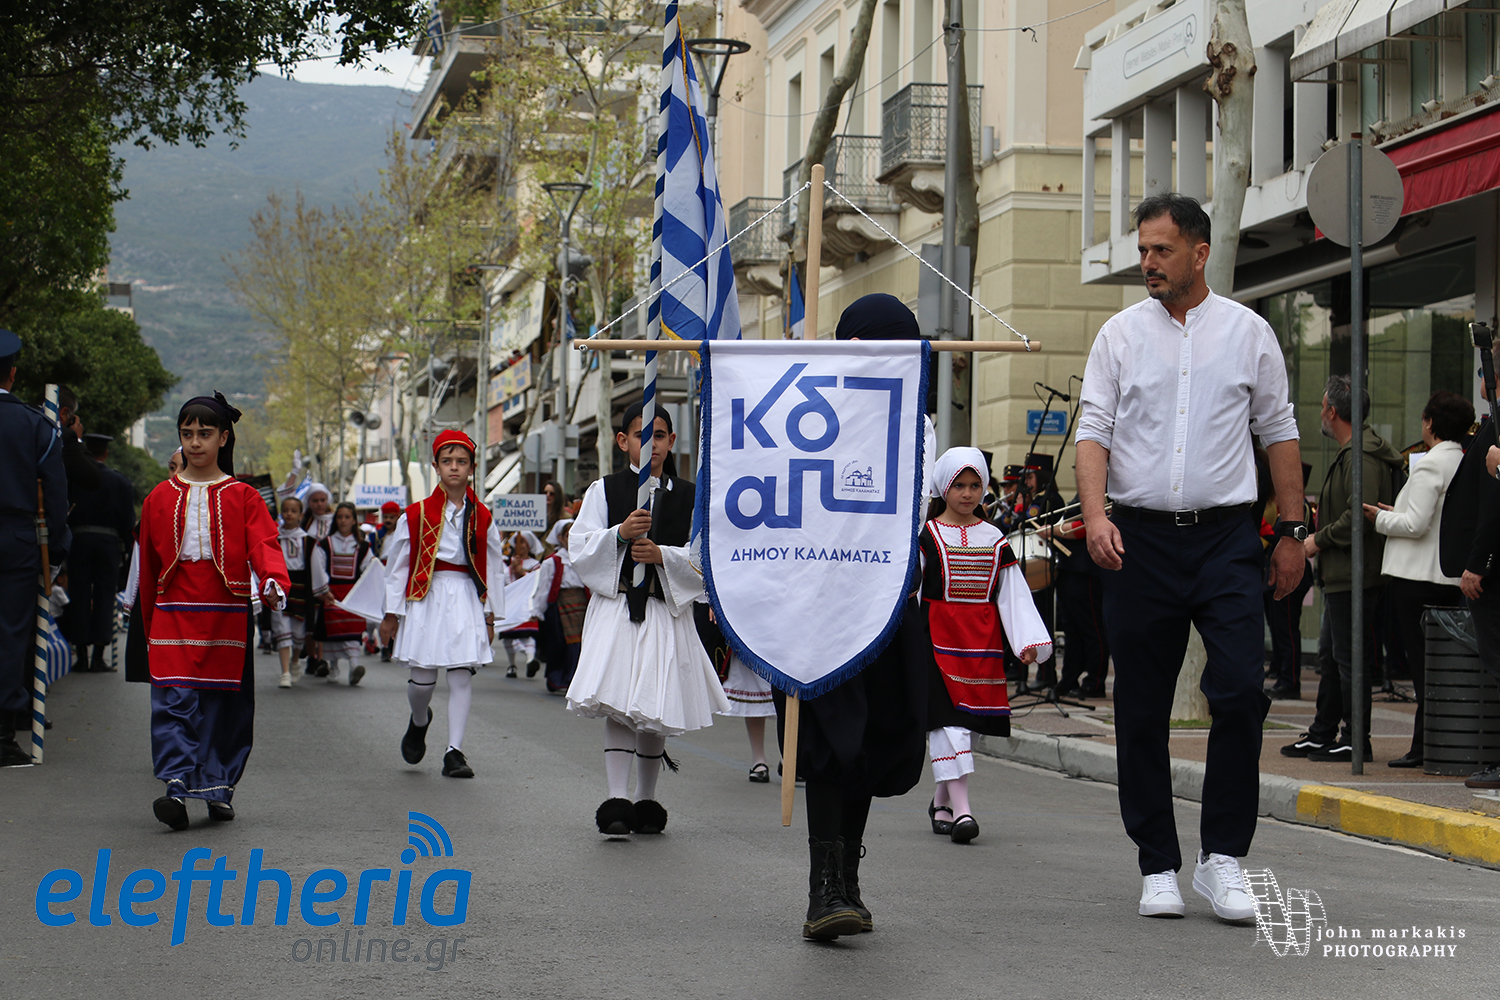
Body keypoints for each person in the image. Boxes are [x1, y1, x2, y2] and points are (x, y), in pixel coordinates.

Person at [1076, 193, 1306, 923]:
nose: (1148, 262)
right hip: (1137, 541)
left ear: (1199, 254)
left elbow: (1279, 431)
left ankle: (1222, 858)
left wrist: (1292, 531)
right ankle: (1157, 864)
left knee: (1238, 690)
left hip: (1226, 540)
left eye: (1161, 250)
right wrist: (1094, 516)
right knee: (1141, 706)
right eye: (1143, 249)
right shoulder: (1118, 335)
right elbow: (1093, 431)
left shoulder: (1249, 332)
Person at [771, 293, 935, 940]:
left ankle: (850, 879)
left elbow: (910, 508)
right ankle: (823, 890)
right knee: (829, 741)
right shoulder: (808, 415)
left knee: (874, 740)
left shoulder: (914, 422)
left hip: (887, 602)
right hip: (824, 604)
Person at [567, 402, 729, 837]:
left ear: (672, 441)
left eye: (659, 436)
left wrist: (663, 556)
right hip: (619, 608)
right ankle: (616, 798)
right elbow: (579, 546)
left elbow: (707, 558)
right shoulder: (604, 490)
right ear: (623, 441)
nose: (651, 444)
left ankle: (646, 797)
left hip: (664, 610)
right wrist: (618, 535)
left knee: (655, 703)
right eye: (642, 435)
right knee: (619, 701)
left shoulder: (693, 496)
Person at [137, 393, 289, 829]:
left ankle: (217, 786)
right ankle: (177, 784)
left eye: (204, 433)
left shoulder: (244, 496)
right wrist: (147, 625)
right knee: (173, 698)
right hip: (173, 610)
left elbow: (265, 544)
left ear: (223, 438)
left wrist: (273, 580)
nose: (195, 442)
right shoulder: (158, 498)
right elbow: (148, 567)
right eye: (187, 433)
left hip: (225, 612)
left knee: (222, 704)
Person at [922, 448, 1053, 844]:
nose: (967, 493)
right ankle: (963, 811)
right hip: (937, 639)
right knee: (949, 724)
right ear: (944, 488)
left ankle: (941, 801)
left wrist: (1026, 641)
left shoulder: (995, 538)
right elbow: (910, 593)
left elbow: (1012, 592)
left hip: (982, 640)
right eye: (959, 485)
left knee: (971, 726)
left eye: (974, 485)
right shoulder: (927, 536)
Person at [1281, 376, 1403, 764]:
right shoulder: (1354, 452)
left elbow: (1360, 514)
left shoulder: (1360, 455)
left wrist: (1317, 540)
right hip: (1341, 574)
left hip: (1355, 575)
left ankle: (1355, 738)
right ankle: (1323, 733)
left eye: (1322, 407)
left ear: (1332, 412)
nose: (1321, 413)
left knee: (1350, 660)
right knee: (1332, 658)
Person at [379, 430, 506, 780]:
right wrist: (391, 614)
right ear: (435, 466)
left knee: (461, 675)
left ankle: (454, 751)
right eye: (447, 461)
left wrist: (492, 615)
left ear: (472, 468)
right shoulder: (415, 514)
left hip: (466, 596)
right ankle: (420, 719)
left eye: (461, 462)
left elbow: (495, 567)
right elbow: (397, 568)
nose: (454, 467)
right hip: (426, 596)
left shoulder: (483, 516)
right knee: (422, 681)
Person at [1360, 391, 1472, 767]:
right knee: (1439, 665)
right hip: (1444, 576)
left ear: (1430, 422)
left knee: (1422, 666)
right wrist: (1398, 511)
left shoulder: (1429, 464)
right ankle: (1431, 742)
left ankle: (1423, 746)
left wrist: (1380, 518)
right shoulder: (1461, 460)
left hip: (1415, 576)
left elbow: (1415, 524)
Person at [0, 330, 70, 766]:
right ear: (12, 373)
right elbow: (57, 495)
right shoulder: (34, 424)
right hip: (16, 541)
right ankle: (2, 734)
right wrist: (58, 550)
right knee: (10, 635)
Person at [65, 432, 135, 672]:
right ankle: (98, 656)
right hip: (108, 543)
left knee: (79, 594)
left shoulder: (73, 478)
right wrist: (127, 550)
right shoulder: (120, 481)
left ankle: (81, 655)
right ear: (106, 452)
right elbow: (128, 521)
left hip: (79, 540)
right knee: (105, 597)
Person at [313, 501, 374, 686]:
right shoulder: (325, 544)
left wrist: (366, 590)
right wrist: (324, 590)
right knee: (332, 631)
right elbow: (319, 567)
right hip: (331, 593)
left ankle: (354, 666)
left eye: (347, 517)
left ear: (354, 520)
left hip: (352, 595)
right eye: (339, 517)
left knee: (352, 631)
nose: (343, 520)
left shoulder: (362, 546)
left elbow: (369, 569)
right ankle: (334, 667)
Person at [533, 519, 587, 694]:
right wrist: (538, 610)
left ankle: (574, 679)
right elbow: (544, 587)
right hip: (560, 605)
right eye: (568, 535)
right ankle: (558, 678)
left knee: (579, 643)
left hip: (582, 604)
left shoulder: (584, 558)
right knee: (560, 643)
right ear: (560, 538)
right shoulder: (552, 561)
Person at [271, 496, 310, 688]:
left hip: (300, 586)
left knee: (298, 631)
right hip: (280, 585)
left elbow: (315, 566)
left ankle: (295, 660)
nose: (289, 514)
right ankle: (285, 672)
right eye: (285, 510)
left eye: (293, 511)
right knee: (281, 627)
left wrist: (321, 589)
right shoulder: (274, 537)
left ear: (301, 515)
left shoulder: (307, 540)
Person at [497, 530, 541, 678]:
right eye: (517, 542)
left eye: (523, 542)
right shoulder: (508, 564)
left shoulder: (535, 564)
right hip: (511, 604)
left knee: (527, 633)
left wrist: (522, 571)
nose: (519, 545)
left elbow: (536, 582)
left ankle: (530, 660)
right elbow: (504, 582)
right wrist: (511, 569)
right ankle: (512, 665)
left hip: (526, 604)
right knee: (508, 636)